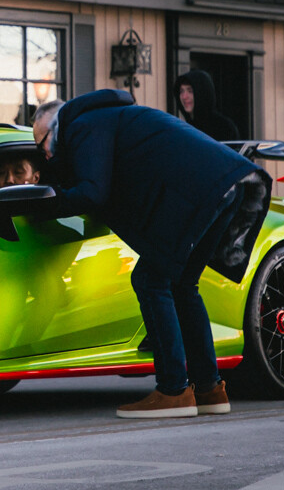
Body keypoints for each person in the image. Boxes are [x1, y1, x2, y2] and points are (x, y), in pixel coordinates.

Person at [32, 90, 271, 419]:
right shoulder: (108, 119)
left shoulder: (82, 124)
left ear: (54, 129)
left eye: (41, 144)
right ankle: (209, 389)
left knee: (150, 280)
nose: (43, 155)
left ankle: (173, 390)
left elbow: (93, 192)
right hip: (225, 186)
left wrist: (48, 201)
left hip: (197, 189)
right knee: (183, 285)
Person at [174, 69, 239, 142]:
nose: (184, 96)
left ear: (202, 93)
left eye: (190, 91)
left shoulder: (224, 128)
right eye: (181, 91)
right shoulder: (184, 129)